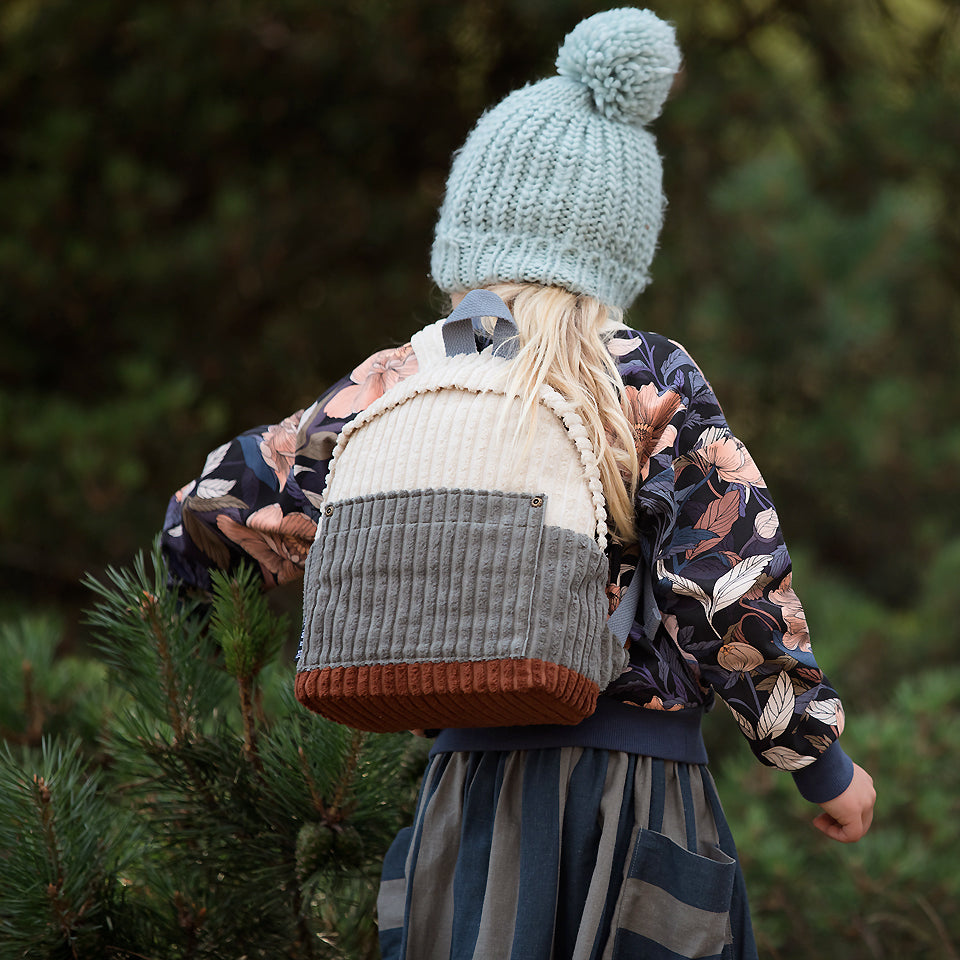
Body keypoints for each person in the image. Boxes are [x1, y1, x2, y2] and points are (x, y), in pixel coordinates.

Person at [161, 8, 875, 959]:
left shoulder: (401, 378)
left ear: (467, 235)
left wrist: (209, 633)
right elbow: (731, 579)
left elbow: (214, 508)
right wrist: (821, 766)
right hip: (636, 796)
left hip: (468, 793)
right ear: (619, 250)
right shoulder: (644, 380)